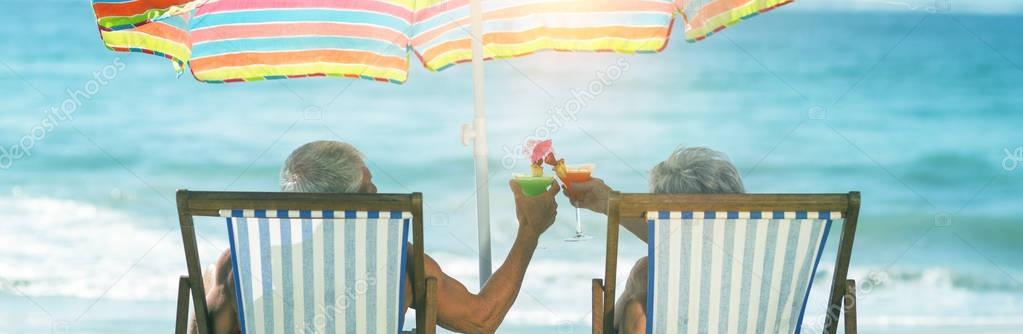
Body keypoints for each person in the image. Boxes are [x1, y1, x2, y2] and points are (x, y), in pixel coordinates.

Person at [193, 140, 560, 334]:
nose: (378, 189)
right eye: (370, 186)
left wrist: (208, 285)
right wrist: (529, 231)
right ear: (355, 199)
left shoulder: (245, 263)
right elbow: (481, 320)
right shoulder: (397, 262)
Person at [565, 147, 745, 334]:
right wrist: (608, 204)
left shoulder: (644, 297)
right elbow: (691, 238)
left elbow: (684, 237)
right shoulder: (762, 255)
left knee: (642, 290)